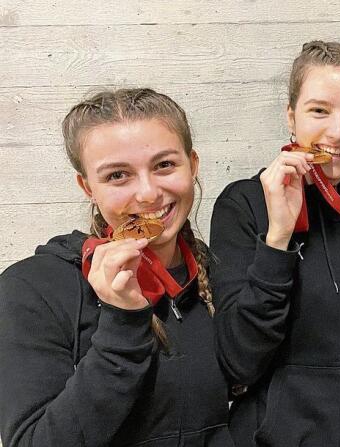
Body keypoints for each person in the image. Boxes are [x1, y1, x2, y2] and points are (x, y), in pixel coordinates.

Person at [0, 88, 233, 446]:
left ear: (193, 164)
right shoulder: (32, 289)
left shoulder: (215, 272)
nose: (147, 193)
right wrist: (122, 324)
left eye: (164, 165)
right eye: (117, 176)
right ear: (87, 186)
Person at [210, 41, 340, 446]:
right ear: (291, 115)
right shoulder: (244, 204)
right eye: (319, 110)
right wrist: (278, 238)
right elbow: (236, 363)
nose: (338, 132)